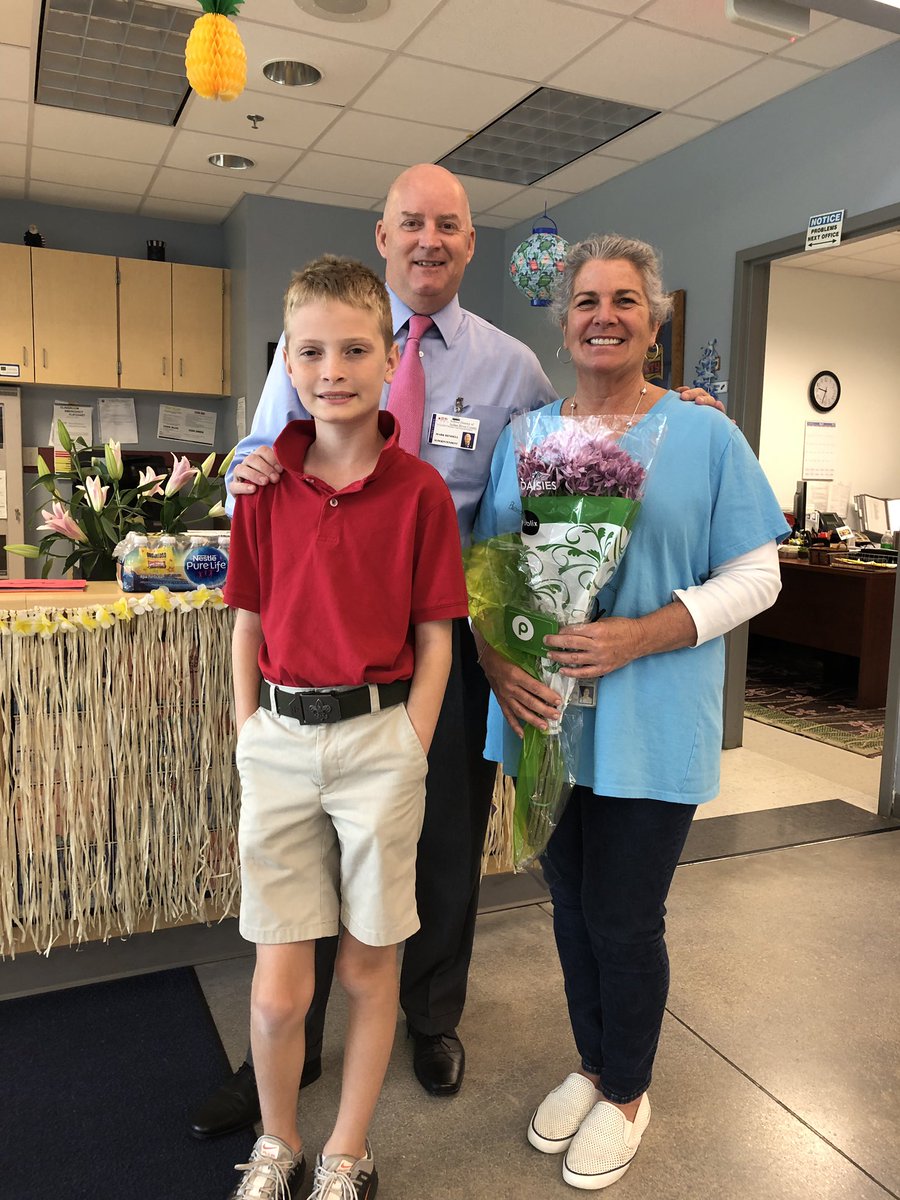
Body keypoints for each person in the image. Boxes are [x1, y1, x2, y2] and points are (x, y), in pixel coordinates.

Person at [190, 164, 717, 1138]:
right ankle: (294, 1052)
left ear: (473, 245)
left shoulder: (512, 366)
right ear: (381, 234)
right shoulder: (322, 334)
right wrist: (244, 463)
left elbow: (569, 455)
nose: (429, 239)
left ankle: (432, 1019)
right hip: (326, 647)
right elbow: (257, 461)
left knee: (439, 848)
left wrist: (672, 413)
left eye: (450, 224)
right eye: (411, 223)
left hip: (452, 642)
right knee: (308, 853)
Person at [472, 234, 789, 1191]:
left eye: (624, 299)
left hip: (652, 718)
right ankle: (594, 1060)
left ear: (656, 320)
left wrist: (635, 636)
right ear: (562, 322)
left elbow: (758, 577)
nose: (602, 314)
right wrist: (498, 670)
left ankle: (628, 1091)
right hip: (544, 717)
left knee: (622, 913)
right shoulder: (527, 437)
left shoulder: (706, 436)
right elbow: (487, 576)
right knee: (566, 905)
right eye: (585, 300)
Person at [222, 254, 469, 1200]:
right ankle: (277, 1142)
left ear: (387, 355)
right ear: (286, 361)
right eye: (310, 350)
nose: (332, 368)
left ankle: (345, 1155)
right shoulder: (262, 489)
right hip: (280, 741)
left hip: (379, 748)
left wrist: (411, 742)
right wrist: (249, 730)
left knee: (371, 971)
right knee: (281, 988)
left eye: (354, 349)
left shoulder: (419, 495)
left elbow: (435, 637)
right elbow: (245, 620)